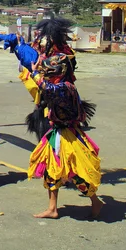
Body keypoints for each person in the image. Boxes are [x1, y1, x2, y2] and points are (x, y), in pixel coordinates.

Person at [28, 52, 103, 219]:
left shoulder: (64, 88)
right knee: (51, 169)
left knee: (75, 173)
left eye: (50, 72)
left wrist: (34, 73)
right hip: (58, 133)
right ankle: (52, 208)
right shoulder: (63, 85)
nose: (48, 76)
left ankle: (95, 201)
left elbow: (46, 88)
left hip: (68, 136)